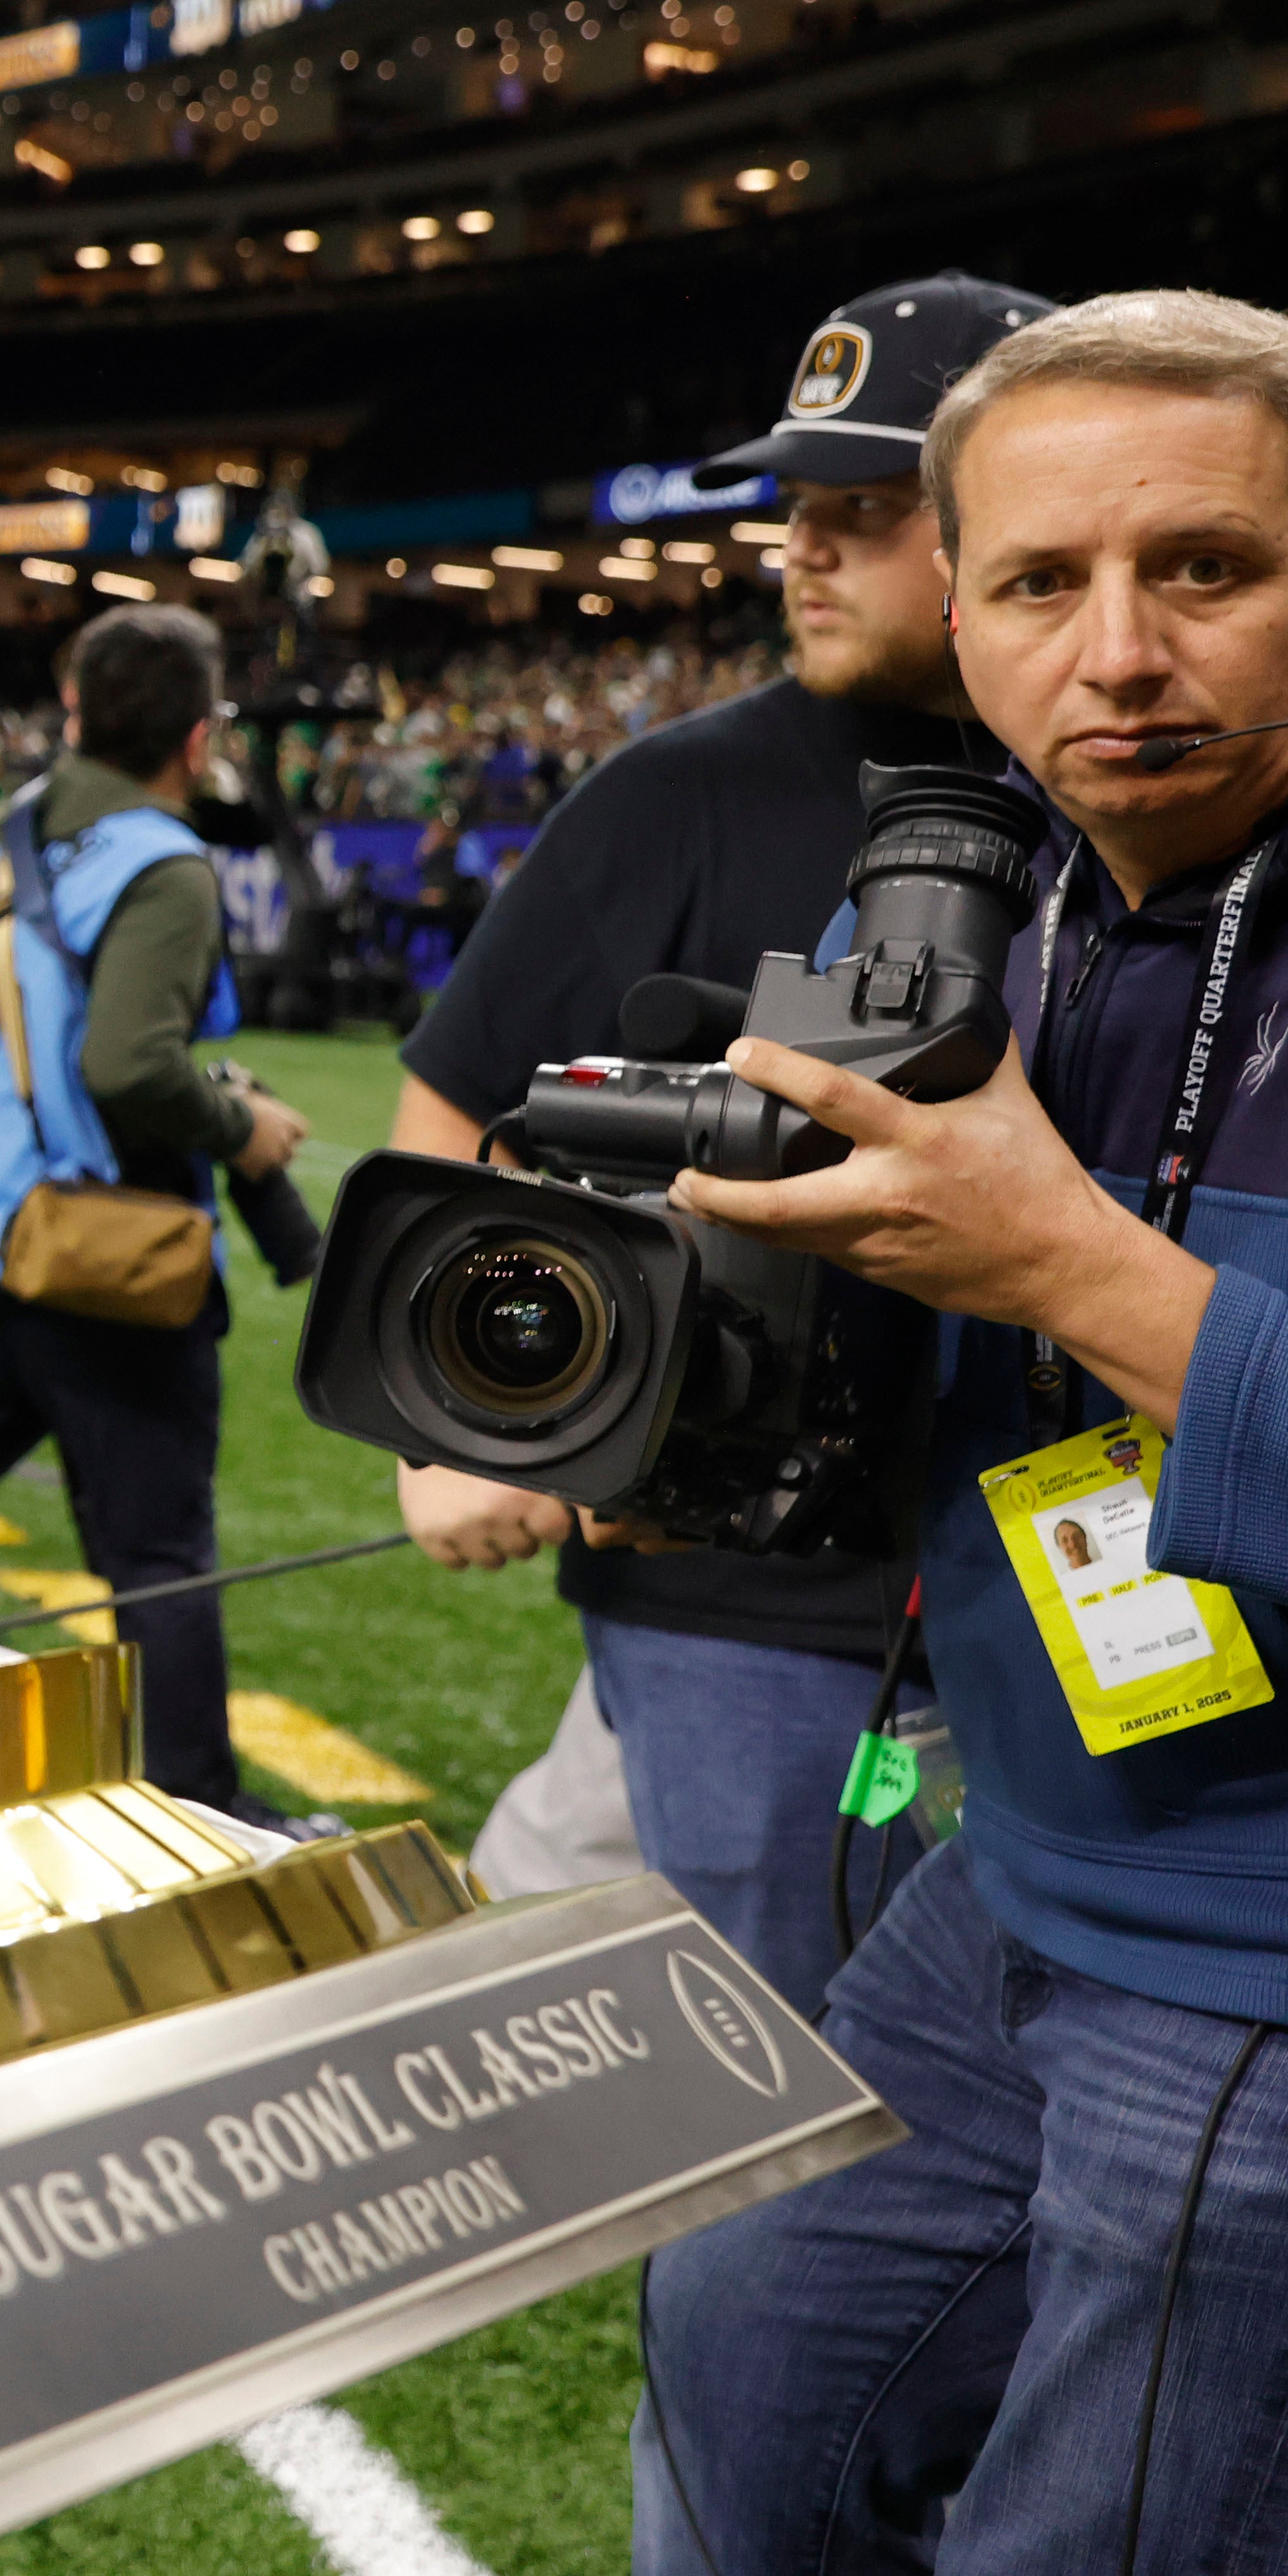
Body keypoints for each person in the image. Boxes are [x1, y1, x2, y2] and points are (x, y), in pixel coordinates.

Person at [627, 289, 1288, 2576]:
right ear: (952, 606)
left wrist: (1077, 1266)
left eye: (1203, 567)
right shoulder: (1016, 877)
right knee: (747, 2378)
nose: (1123, 654)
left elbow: (1081, 1286)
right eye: (1041, 585)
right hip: (1027, 1874)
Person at [390, 272, 1042, 2009]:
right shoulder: (682, 789)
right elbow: (463, 1103)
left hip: (1059, 1574)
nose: (802, 549)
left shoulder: (1140, 788)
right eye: (795, 509)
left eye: (865, 508)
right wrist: (470, 1421)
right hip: (742, 1589)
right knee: (809, 2105)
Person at [0, 603, 316, 1828]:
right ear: (198, 737)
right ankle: (202, 1808)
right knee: (157, 1555)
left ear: (77, 711)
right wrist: (240, 1126)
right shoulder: (163, 860)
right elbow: (132, 1068)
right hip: (100, 1260)